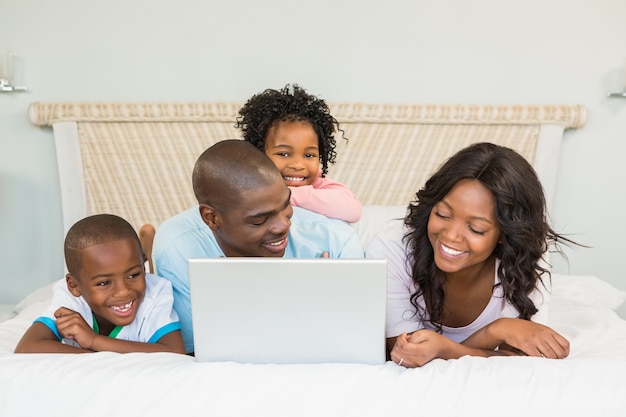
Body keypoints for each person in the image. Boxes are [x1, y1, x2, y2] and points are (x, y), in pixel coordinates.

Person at [365, 142, 575, 368]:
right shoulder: (391, 249)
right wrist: (495, 332)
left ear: (505, 234)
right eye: (443, 214)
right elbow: (408, 355)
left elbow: (519, 359)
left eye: (476, 229)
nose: (452, 236)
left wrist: (446, 348)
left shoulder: (524, 260)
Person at [153, 139, 364, 354]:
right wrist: (312, 306)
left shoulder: (335, 241)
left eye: (286, 206)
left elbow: (359, 343)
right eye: (260, 220)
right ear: (212, 218)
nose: (283, 226)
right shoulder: (177, 247)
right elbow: (199, 351)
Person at [14, 214, 185, 354]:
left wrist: (94, 341)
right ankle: (145, 246)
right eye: (104, 282)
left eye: (133, 275)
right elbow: (27, 348)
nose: (123, 292)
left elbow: (175, 353)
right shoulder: (68, 299)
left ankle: (147, 248)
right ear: (74, 286)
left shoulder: (156, 291)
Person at [236, 84, 362, 223]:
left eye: (309, 155)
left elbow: (352, 210)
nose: (297, 165)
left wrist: (286, 195)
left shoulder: (318, 184)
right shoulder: (249, 186)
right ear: (259, 154)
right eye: (283, 154)